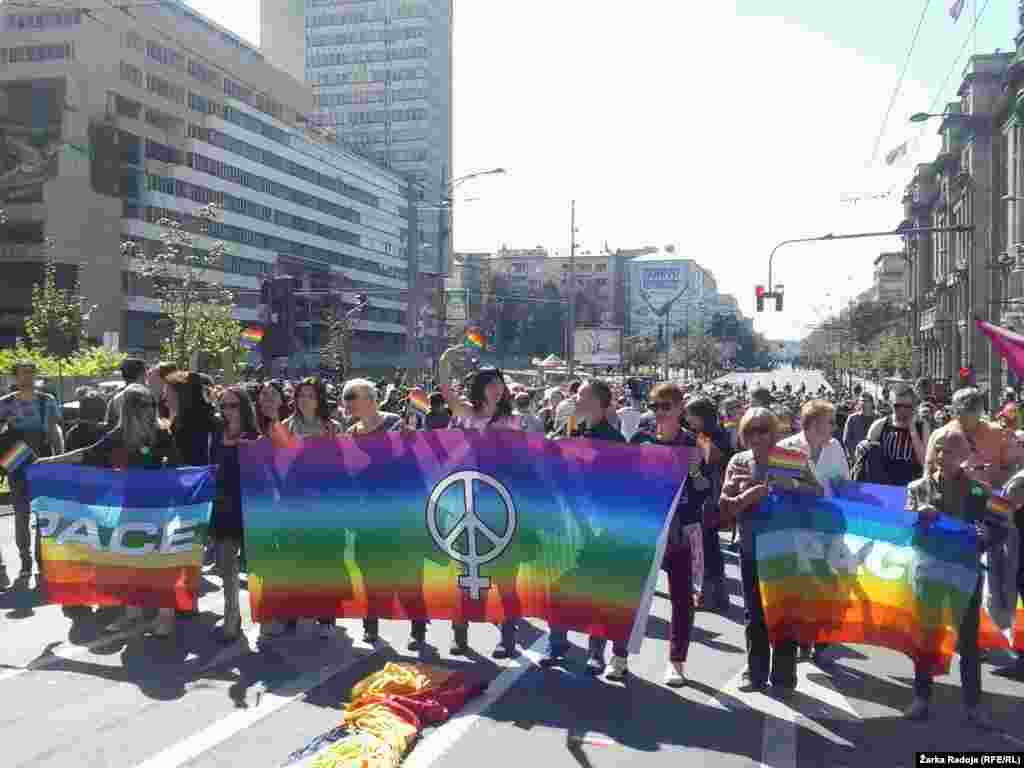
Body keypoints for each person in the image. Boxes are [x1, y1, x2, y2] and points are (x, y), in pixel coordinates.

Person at [36, 384, 181, 636]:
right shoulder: (119, 434)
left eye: (152, 405)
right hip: (127, 506)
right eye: (145, 405)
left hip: (158, 507)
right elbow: (86, 455)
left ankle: (165, 616)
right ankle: (132, 613)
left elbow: (178, 466)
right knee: (127, 563)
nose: (151, 410)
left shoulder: (162, 433)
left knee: (159, 564)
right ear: (130, 409)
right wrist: (49, 462)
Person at [720, 407, 820, 694]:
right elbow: (724, 506)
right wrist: (747, 496)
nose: (757, 436)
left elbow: (819, 494)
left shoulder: (793, 459)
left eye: (763, 429)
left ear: (774, 432)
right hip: (751, 547)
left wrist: (794, 485)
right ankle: (755, 674)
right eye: (750, 430)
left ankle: (784, 679)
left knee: (784, 615)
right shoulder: (738, 461)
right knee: (754, 616)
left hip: (786, 550)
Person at [904, 429, 995, 727]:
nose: (946, 456)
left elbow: (1000, 528)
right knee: (927, 636)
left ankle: (973, 706)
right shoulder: (918, 488)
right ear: (934, 453)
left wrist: (987, 536)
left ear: (966, 456)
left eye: (955, 451)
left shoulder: (981, 491)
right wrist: (918, 513)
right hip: (928, 572)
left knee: (968, 643)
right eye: (942, 450)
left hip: (966, 574)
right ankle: (921, 698)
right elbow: (903, 524)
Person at [438, 348, 523, 657]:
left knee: (505, 574)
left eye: (500, 385)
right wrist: (445, 360)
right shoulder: (466, 414)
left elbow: (524, 461)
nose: (497, 389)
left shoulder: (513, 420)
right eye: (491, 384)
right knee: (465, 572)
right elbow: (446, 390)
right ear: (480, 388)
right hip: (466, 506)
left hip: (502, 505)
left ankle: (507, 636)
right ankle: (459, 635)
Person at [541, 379, 628, 677]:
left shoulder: (615, 441)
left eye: (582, 396)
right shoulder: (567, 431)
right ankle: (557, 644)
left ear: (602, 405)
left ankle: (595, 652)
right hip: (565, 521)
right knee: (558, 586)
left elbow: (620, 488)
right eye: (576, 395)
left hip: (597, 526)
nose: (575, 400)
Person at [632, 383, 707, 687]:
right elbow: (625, 480)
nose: (660, 412)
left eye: (666, 406)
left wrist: (696, 472)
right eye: (655, 406)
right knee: (631, 596)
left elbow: (705, 492)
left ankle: (677, 663)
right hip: (646, 530)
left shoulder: (696, 444)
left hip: (681, 532)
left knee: (681, 600)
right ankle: (620, 656)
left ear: (680, 408)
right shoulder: (640, 439)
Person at [779, 399, 850, 660]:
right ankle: (802, 639)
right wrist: (805, 491)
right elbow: (780, 487)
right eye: (829, 421)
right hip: (796, 525)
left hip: (829, 525)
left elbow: (844, 483)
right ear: (812, 423)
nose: (834, 426)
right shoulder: (787, 447)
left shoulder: (835, 448)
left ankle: (819, 639)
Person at [342, 378, 408, 646]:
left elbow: (408, 457)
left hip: (395, 509)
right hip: (364, 510)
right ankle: (371, 623)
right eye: (346, 397)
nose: (347, 402)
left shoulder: (394, 423)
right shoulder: (351, 432)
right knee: (365, 566)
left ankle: (418, 627)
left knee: (404, 570)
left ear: (370, 399)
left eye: (352, 397)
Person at [284, 377, 343, 638]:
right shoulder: (286, 426)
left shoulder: (332, 427)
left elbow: (343, 463)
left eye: (310, 394)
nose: (305, 399)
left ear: (319, 399)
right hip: (295, 501)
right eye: (301, 394)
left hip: (326, 501)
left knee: (327, 560)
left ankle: (326, 617)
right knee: (296, 560)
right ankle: (293, 612)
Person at [0, 361, 63, 582]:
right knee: (21, 512)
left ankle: (41, 559)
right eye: (23, 373)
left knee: (43, 513)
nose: (28, 376)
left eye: (31, 372)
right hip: (16, 461)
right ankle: (25, 559)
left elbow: (55, 432)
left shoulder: (47, 401)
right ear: (15, 378)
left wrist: (60, 459)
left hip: (42, 459)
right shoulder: (5, 403)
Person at [210, 386, 259, 642]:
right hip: (222, 506)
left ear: (243, 407)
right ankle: (232, 615)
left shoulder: (255, 434)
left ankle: (269, 615)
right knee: (226, 566)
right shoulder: (216, 432)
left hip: (250, 506)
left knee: (257, 566)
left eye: (232, 405)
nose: (227, 411)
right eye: (223, 406)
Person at [684, 396, 732, 613]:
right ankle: (715, 595)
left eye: (690, 415)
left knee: (708, 548)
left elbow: (713, 458)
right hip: (703, 497)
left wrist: (697, 439)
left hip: (710, 498)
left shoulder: (717, 435)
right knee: (706, 547)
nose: (687, 419)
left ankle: (712, 595)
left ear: (701, 417)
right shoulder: (704, 433)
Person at [930, 388, 1013, 489]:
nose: (968, 426)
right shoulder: (939, 435)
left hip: (989, 497)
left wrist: (991, 479)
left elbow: (1011, 470)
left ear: (981, 412)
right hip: (950, 498)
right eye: (962, 418)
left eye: (974, 418)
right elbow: (929, 472)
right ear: (954, 412)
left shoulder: (999, 433)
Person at [163, 371, 217, 467]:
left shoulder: (204, 426)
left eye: (167, 393)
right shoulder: (176, 424)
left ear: (181, 395)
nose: (164, 398)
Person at [105, 357, 147, 425]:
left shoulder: (114, 400)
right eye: (146, 372)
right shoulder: (147, 397)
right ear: (142, 374)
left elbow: (109, 425)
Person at [842, 393, 874, 461]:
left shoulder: (878, 419)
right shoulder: (852, 418)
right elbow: (846, 440)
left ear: (872, 403)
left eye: (866, 401)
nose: (863, 403)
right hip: (856, 458)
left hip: (873, 459)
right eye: (862, 401)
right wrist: (853, 457)